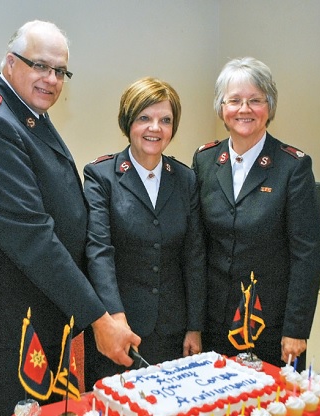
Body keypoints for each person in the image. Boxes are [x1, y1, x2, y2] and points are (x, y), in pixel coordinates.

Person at [0, 20, 141, 416]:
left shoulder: (25, 112)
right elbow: (33, 238)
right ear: (9, 61)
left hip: (40, 309)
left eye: (60, 71)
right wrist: (98, 318)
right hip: (10, 323)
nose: (51, 79)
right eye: (40, 66)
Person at [191, 57, 320, 369]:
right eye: (234, 100)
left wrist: (296, 329)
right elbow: (196, 246)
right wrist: (193, 323)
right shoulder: (205, 161)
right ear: (221, 108)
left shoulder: (293, 167)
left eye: (255, 100)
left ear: (270, 106)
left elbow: (308, 254)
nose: (244, 109)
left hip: (269, 324)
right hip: (214, 323)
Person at [82, 77, 206, 389]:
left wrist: (194, 327)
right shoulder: (101, 176)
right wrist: (115, 318)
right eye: (144, 118)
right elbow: (99, 252)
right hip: (118, 329)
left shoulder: (185, 179)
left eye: (165, 120)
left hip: (172, 329)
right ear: (128, 122)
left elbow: (193, 256)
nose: (155, 128)